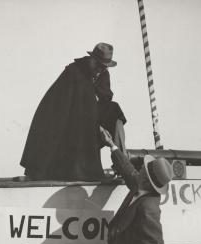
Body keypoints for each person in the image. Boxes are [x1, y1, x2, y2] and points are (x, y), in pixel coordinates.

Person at [20, 42, 127, 181]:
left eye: (104, 67)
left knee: (115, 110)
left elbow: (105, 97)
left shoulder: (102, 72)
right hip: (70, 119)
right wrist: (97, 125)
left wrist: (97, 84)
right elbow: (61, 104)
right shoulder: (74, 71)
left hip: (90, 116)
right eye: (99, 65)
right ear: (92, 59)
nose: (101, 69)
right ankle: (73, 168)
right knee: (86, 106)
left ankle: (122, 163)